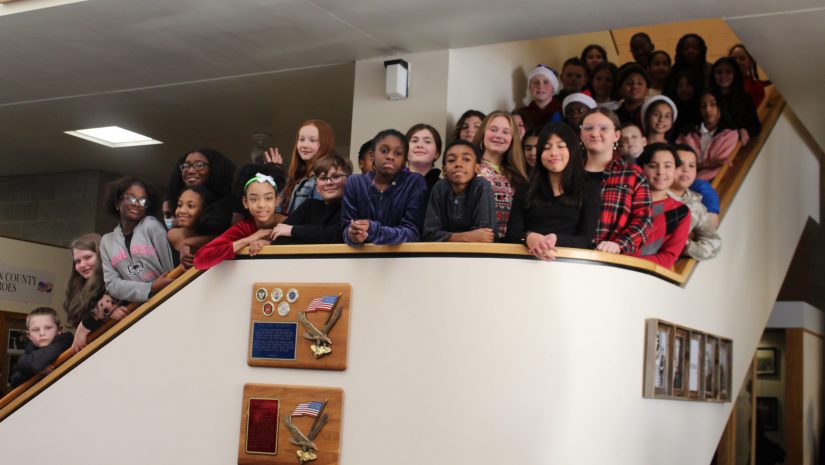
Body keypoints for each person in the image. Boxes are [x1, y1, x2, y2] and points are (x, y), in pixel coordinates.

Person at [506, 122, 601, 259]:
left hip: (570, 265)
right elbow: (511, 235)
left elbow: (586, 239)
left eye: (561, 146)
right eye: (546, 147)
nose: (553, 153)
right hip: (526, 263)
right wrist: (528, 237)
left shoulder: (590, 188)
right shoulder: (525, 188)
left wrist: (555, 239)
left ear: (573, 150)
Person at [581, 108, 652, 254]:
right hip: (567, 256)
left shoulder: (632, 174)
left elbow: (643, 220)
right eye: (588, 128)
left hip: (611, 261)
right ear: (581, 133)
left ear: (616, 135)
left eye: (603, 128)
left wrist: (618, 245)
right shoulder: (568, 171)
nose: (595, 134)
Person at [342, 129, 428, 245]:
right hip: (361, 259)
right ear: (372, 155)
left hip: (402, 259)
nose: (390, 156)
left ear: (404, 161)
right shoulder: (355, 183)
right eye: (384, 150)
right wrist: (352, 235)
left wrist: (373, 230)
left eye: (397, 153)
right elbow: (346, 227)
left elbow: (412, 233)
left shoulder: (414, 183)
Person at [194, 164, 287, 270]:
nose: (261, 205)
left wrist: (271, 244)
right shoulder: (244, 228)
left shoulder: (291, 223)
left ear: (277, 201)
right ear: (245, 202)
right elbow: (200, 260)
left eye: (268, 198)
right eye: (253, 199)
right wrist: (249, 239)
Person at [100, 177, 174, 303]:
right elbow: (112, 284)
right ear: (117, 203)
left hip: (168, 297)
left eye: (143, 201)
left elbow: (169, 267)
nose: (136, 203)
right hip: (137, 309)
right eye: (130, 198)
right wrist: (150, 288)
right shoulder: (107, 241)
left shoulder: (151, 226)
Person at [64, 234, 130, 353]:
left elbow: (113, 297)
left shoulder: (118, 275)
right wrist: (107, 314)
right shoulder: (77, 288)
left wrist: (83, 328)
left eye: (88, 257)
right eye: (77, 261)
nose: (82, 264)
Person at [423, 140, 496, 243]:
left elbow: (484, 236)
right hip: (443, 255)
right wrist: (465, 237)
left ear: (477, 168)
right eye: (451, 160)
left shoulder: (481, 186)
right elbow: (429, 234)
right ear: (444, 170)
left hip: (478, 256)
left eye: (466, 159)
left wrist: (447, 237)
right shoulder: (440, 187)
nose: (458, 164)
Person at [271, 154, 351, 245]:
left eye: (336, 177)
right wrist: (315, 235)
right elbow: (278, 236)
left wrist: (293, 231)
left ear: (349, 180)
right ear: (316, 186)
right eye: (323, 178)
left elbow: (340, 235)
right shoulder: (309, 206)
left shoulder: (353, 207)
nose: (329, 182)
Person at [472, 111, 529, 237]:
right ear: (483, 133)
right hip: (475, 246)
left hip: (509, 249)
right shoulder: (469, 169)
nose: (498, 135)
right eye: (494, 129)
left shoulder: (519, 176)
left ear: (512, 139)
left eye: (505, 132)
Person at [633, 143, 691, 267]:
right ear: (642, 168)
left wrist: (628, 261)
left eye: (667, 166)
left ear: (675, 170)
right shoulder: (626, 199)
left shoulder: (681, 211)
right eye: (653, 166)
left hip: (645, 277)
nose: (660, 172)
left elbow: (668, 257)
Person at [670, 144, 722, 260]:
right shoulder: (653, 195)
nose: (686, 170)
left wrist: (688, 247)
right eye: (679, 164)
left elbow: (714, 243)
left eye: (691, 166)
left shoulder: (696, 206)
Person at [161, 148, 236, 229]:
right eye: (186, 166)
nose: (190, 171)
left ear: (214, 168)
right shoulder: (172, 200)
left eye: (199, 165)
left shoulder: (230, 202)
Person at [676, 91, 738, 181]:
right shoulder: (687, 132)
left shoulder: (730, 134)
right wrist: (708, 164)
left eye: (713, 104)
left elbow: (719, 166)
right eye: (703, 106)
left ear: (721, 106)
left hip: (708, 183)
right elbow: (677, 162)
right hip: (681, 180)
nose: (707, 109)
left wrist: (694, 178)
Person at [277, 120, 336, 215]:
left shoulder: (327, 179)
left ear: (325, 143)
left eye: (312, 140)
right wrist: (275, 175)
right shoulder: (293, 179)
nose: (304, 145)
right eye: (301, 139)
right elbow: (274, 211)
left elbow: (314, 222)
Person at [9, 307, 73, 388]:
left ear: (59, 330)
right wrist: (35, 371)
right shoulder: (32, 346)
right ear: (29, 335)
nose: (42, 333)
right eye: (36, 329)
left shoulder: (65, 339)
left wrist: (24, 362)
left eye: (48, 328)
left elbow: (36, 363)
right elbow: (13, 381)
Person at [166, 186, 227, 269]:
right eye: (179, 205)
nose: (182, 211)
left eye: (190, 206)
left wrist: (189, 242)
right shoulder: (172, 235)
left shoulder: (215, 236)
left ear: (205, 210)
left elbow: (225, 238)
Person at [709, 57, 761, 144]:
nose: (723, 75)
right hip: (714, 144)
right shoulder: (708, 98)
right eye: (719, 72)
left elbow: (756, 127)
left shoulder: (745, 98)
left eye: (728, 72)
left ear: (735, 74)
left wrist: (745, 131)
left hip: (738, 145)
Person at [665, 69, 705, 135]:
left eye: (688, 85)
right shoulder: (670, 109)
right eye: (680, 85)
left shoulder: (702, 111)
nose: (683, 89)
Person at [406, 123, 443, 193]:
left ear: (437, 153)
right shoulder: (392, 182)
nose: (419, 145)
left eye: (427, 142)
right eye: (414, 141)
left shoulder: (443, 188)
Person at [729, 43, 766, 107]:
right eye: (733, 59)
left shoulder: (757, 87)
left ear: (750, 62)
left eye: (742, 58)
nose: (737, 62)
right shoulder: (718, 80)